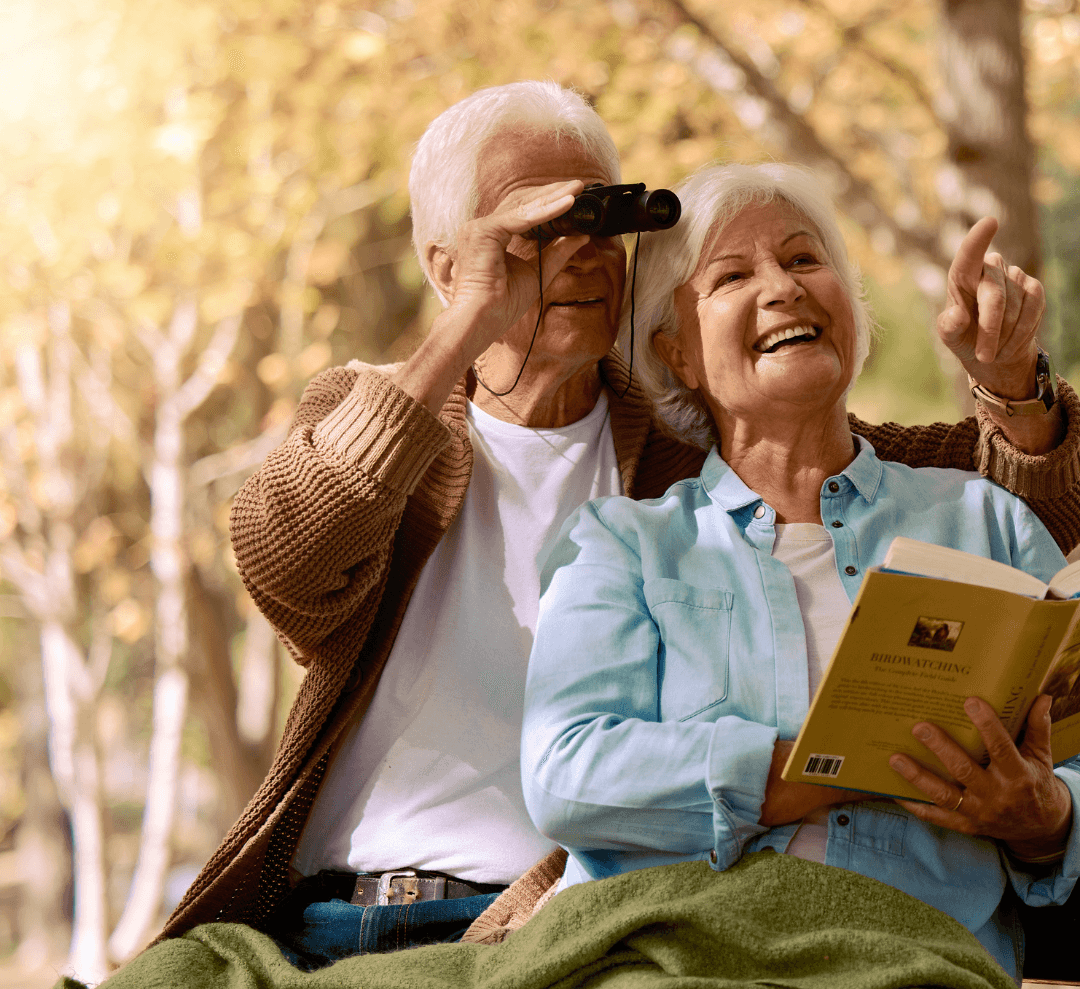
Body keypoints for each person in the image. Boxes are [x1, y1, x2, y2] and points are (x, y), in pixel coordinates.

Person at [163, 83, 1080, 964]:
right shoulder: (381, 421)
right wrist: (471, 317)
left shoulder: (686, 448)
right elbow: (287, 562)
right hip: (343, 908)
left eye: (605, 219)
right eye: (537, 228)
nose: (582, 252)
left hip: (556, 923)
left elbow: (935, 491)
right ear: (447, 264)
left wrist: (1012, 385)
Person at [520, 162, 1080, 983]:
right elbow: (567, 775)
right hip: (676, 954)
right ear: (678, 354)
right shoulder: (624, 543)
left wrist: (1046, 817)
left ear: (852, 308)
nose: (782, 288)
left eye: (805, 259)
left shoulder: (981, 519)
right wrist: (817, 768)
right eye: (733, 276)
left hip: (920, 957)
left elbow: (1073, 750)